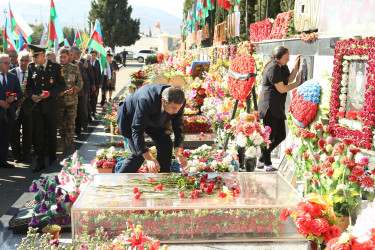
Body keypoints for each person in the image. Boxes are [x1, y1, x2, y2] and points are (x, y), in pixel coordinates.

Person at [117, 84, 188, 173]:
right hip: (130, 118)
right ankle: (120, 180)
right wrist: (149, 158)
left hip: (156, 117)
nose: (176, 112)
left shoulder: (178, 102)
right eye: (173, 108)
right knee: (139, 154)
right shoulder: (146, 100)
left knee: (165, 145)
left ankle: (162, 179)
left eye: (179, 108)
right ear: (164, 101)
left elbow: (179, 127)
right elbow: (137, 130)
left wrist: (178, 153)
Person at [257, 46, 302, 172]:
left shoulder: (281, 66)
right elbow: (282, 88)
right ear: (277, 58)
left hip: (277, 106)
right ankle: (267, 164)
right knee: (269, 137)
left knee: (281, 135)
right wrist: (297, 84)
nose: (288, 60)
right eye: (286, 58)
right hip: (269, 107)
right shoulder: (273, 68)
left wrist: (296, 67)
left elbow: (288, 80)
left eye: (288, 58)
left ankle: (262, 159)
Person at [26, 44, 66, 172]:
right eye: (33, 56)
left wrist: (50, 94)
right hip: (37, 107)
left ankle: (53, 161)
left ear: (43, 55)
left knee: (52, 135)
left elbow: (62, 85)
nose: (33, 59)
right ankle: (40, 162)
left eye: (36, 57)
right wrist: (32, 95)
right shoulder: (31, 67)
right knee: (39, 135)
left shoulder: (55, 67)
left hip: (51, 106)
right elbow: (29, 86)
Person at [56, 47, 83, 151]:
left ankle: (69, 143)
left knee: (71, 123)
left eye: (65, 57)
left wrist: (73, 89)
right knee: (61, 124)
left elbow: (80, 83)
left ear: (68, 56)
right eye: (61, 57)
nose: (63, 59)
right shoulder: (55, 68)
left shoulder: (74, 67)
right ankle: (63, 143)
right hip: (59, 101)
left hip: (71, 101)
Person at [0, 54, 23, 168]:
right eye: (6, 63)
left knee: (6, 137)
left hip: (9, 113)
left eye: (9, 63)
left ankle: (3, 160)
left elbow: (19, 93)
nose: (9, 65)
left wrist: (13, 98)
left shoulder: (13, 76)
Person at [10, 51, 33, 163]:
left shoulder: (34, 73)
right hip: (14, 107)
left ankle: (26, 154)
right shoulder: (11, 73)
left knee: (27, 132)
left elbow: (37, 88)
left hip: (28, 108)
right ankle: (16, 155)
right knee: (14, 132)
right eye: (21, 60)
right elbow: (7, 91)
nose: (23, 63)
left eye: (26, 60)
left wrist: (30, 93)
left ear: (29, 61)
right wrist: (16, 98)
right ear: (17, 61)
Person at [70, 46, 94, 135]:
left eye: (71, 54)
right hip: (68, 94)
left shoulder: (79, 64)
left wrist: (79, 69)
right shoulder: (63, 65)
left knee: (81, 109)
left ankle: (81, 126)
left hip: (80, 92)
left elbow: (85, 77)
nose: (70, 56)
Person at [89, 50, 103, 118]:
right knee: (89, 98)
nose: (93, 56)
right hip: (89, 84)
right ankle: (90, 110)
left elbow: (101, 74)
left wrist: (100, 83)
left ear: (96, 56)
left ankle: (93, 111)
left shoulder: (98, 63)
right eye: (92, 55)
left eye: (94, 55)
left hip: (96, 83)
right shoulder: (87, 63)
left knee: (95, 97)